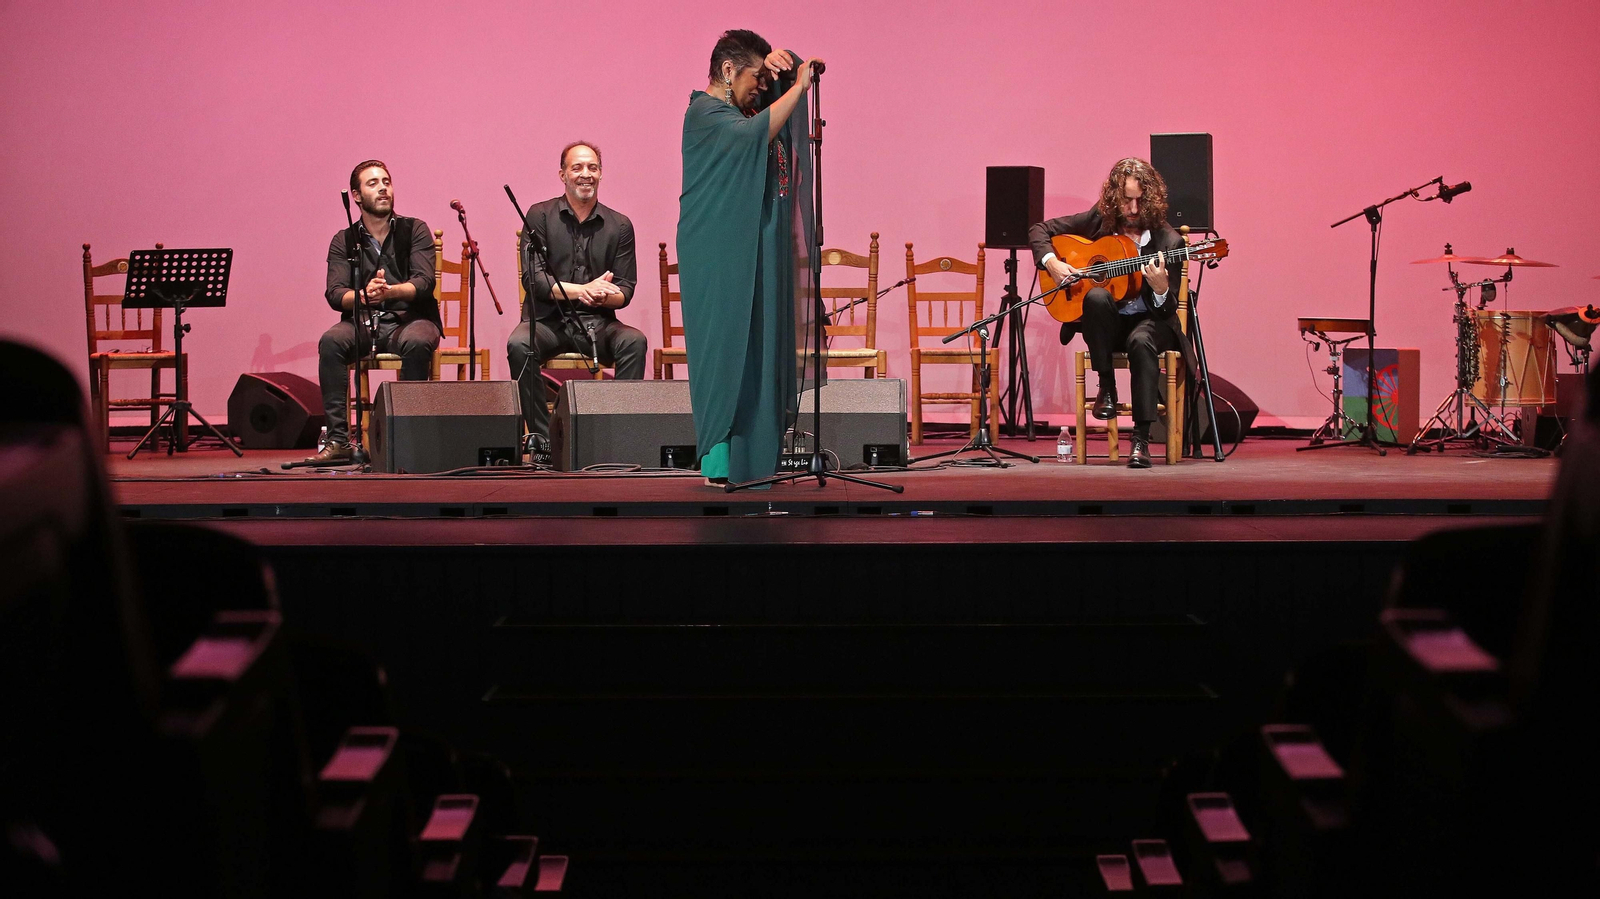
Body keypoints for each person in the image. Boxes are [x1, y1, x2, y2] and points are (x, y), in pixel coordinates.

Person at [677, 29, 823, 485]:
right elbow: (755, 132)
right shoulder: (703, 113)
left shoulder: (740, 109)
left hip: (743, 248)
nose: (760, 86)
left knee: (757, 343)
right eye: (754, 77)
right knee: (723, 351)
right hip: (713, 254)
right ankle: (719, 461)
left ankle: (752, 456)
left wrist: (783, 67)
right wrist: (796, 88)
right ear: (726, 70)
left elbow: (765, 116)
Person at [1029, 158, 1188, 468]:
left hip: (1151, 323)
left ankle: (1140, 439)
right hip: (1107, 326)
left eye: (1140, 201)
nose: (1132, 209)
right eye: (1126, 200)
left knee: (1142, 342)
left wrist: (1159, 289)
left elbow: (1168, 310)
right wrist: (1052, 263)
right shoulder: (1099, 221)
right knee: (1098, 296)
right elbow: (1039, 230)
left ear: (1151, 199)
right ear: (1115, 198)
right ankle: (1107, 386)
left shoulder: (1169, 242)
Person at [507, 141, 647, 454]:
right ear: (562, 174)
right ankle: (546, 441)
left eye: (593, 167)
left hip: (598, 322)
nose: (586, 174)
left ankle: (617, 436)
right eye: (577, 167)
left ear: (601, 174)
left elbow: (625, 290)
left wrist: (603, 297)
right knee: (519, 345)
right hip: (547, 322)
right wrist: (584, 290)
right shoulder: (539, 216)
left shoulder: (620, 225)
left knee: (634, 341)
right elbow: (536, 282)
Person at [306, 159, 439, 464]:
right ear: (356, 196)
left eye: (386, 182)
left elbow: (424, 282)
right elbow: (335, 294)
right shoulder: (343, 240)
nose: (383, 189)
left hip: (411, 318)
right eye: (373, 183)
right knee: (331, 341)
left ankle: (406, 437)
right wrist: (365, 296)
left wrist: (390, 292)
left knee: (417, 342)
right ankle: (338, 440)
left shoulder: (415, 229)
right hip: (364, 320)